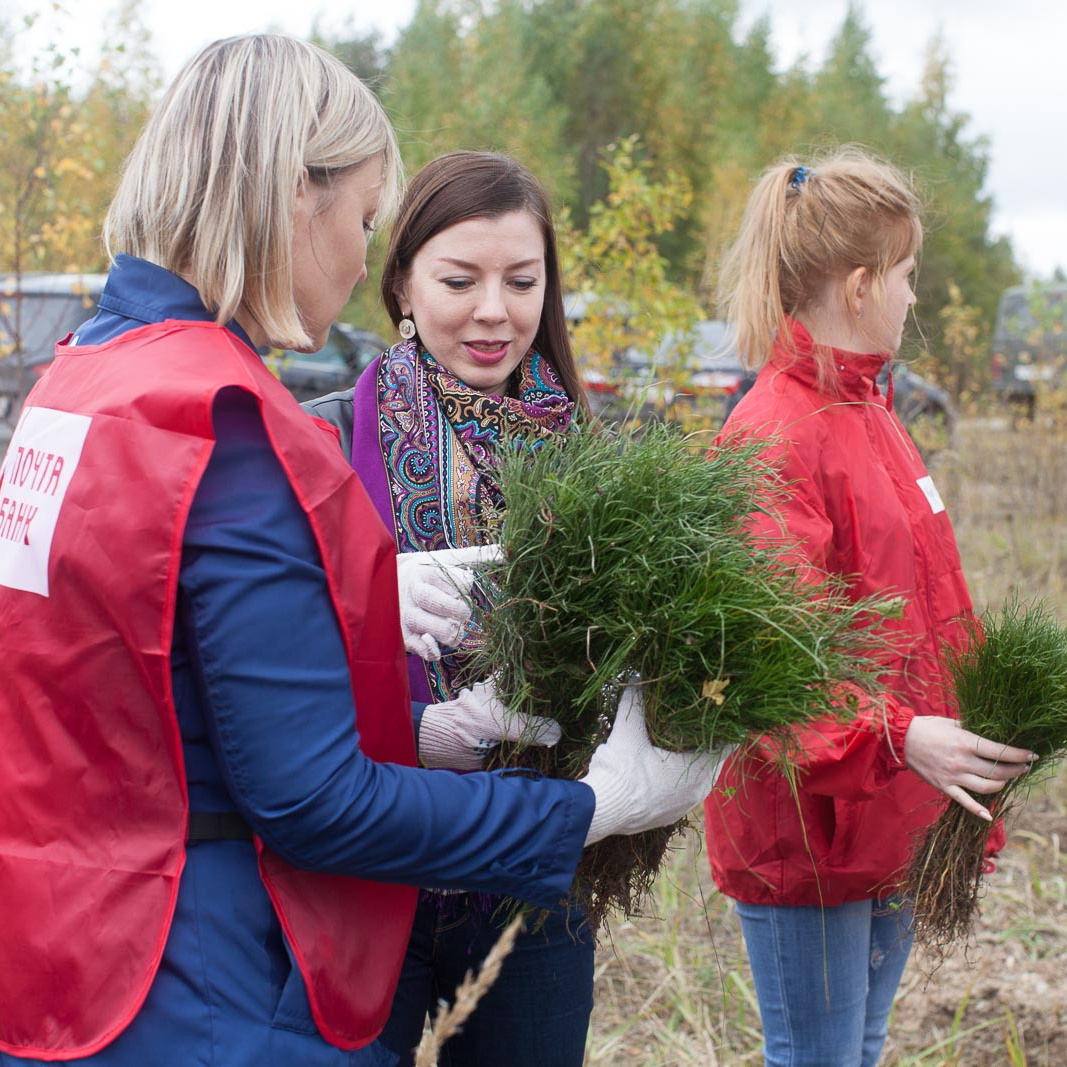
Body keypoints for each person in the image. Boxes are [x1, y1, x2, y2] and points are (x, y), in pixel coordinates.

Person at [0, 36, 717, 1066]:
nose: (357, 252)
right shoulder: (233, 424)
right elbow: (311, 802)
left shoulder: (80, 380)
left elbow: (149, 687)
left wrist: (409, 714)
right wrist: (594, 806)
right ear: (297, 190)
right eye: (367, 218)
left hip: (68, 953)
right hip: (205, 978)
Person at [702, 149, 1037, 1067]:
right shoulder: (772, 432)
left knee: (860, 1045)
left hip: (890, 803)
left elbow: (923, 610)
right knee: (815, 1057)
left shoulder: (871, 413)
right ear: (857, 284)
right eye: (905, 276)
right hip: (807, 826)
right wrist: (895, 736)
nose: (911, 298)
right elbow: (774, 657)